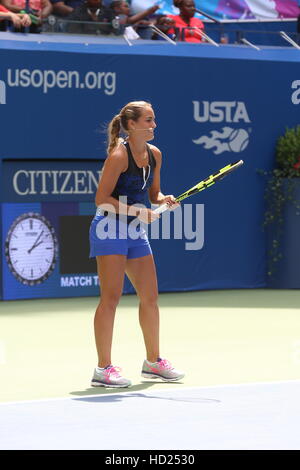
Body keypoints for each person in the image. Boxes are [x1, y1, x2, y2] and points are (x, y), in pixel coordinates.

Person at [89, 101, 185, 388]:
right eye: (148, 120)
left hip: (134, 231)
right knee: (111, 298)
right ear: (131, 125)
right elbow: (101, 199)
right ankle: (103, 369)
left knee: (150, 297)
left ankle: (153, 363)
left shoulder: (155, 155)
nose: (153, 125)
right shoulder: (119, 155)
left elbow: (153, 194)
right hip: (108, 227)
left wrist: (163, 199)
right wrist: (137, 212)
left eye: (154, 120)